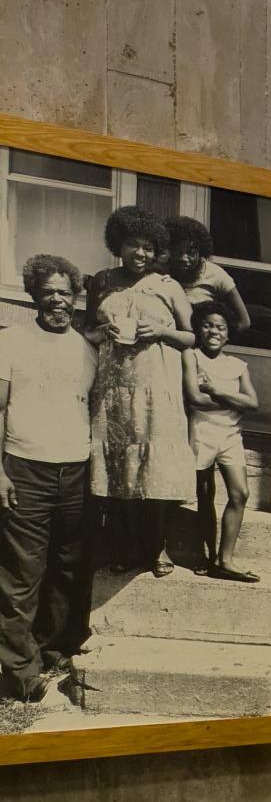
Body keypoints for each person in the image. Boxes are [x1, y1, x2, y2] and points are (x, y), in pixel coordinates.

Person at [0, 255, 97, 703]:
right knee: (22, 574)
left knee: (68, 569)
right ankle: (20, 673)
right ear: (34, 295)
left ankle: (54, 651)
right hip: (25, 468)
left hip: (76, 472)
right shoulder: (12, 341)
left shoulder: (87, 348)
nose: (57, 300)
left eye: (64, 292)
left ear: (75, 298)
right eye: (48, 292)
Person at [84, 206, 194, 576]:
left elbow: (190, 336)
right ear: (119, 243)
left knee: (154, 469)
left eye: (148, 247)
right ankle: (124, 548)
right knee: (118, 469)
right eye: (133, 244)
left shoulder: (168, 286)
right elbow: (87, 332)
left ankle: (158, 548)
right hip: (113, 390)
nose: (141, 254)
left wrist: (161, 332)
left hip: (155, 389)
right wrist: (104, 334)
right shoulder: (101, 281)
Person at [183, 304, 260, 582]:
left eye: (220, 327)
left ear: (227, 335)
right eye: (207, 325)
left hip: (231, 435)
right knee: (204, 494)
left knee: (240, 493)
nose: (213, 331)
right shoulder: (191, 356)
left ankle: (225, 559)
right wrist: (233, 401)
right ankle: (205, 554)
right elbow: (194, 399)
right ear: (198, 330)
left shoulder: (237, 366)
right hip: (201, 431)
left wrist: (216, 389)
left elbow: (252, 403)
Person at [164, 214, 253, 336]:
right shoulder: (161, 270)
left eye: (191, 252)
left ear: (201, 251)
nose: (183, 258)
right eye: (177, 251)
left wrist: (213, 341)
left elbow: (244, 322)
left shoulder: (216, 275)